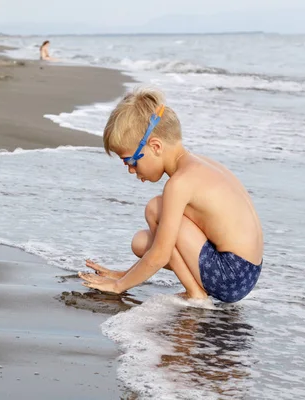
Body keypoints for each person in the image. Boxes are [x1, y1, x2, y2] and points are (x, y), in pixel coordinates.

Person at [79, 87, 264, 303]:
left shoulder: (179, 183)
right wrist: (125, 274)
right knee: (141, 242)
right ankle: (195, 290)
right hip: (247, 271)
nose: (131, 170)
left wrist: (119, 286)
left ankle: (195, 294)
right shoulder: (201, 164)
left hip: (229, 275)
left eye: (130, 161)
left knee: (155, 209)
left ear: (155, 146)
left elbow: (161, 254)